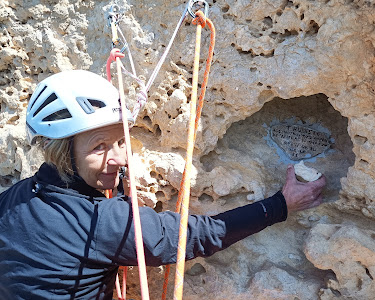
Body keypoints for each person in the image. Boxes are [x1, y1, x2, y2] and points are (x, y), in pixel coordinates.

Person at [0, 70, 326, 299]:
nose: (121, 158)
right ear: (62, 153)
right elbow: (199, 235)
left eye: (122, 141)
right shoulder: (101, 222)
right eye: (100, 147)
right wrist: (282, 204)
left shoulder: (11, 199)